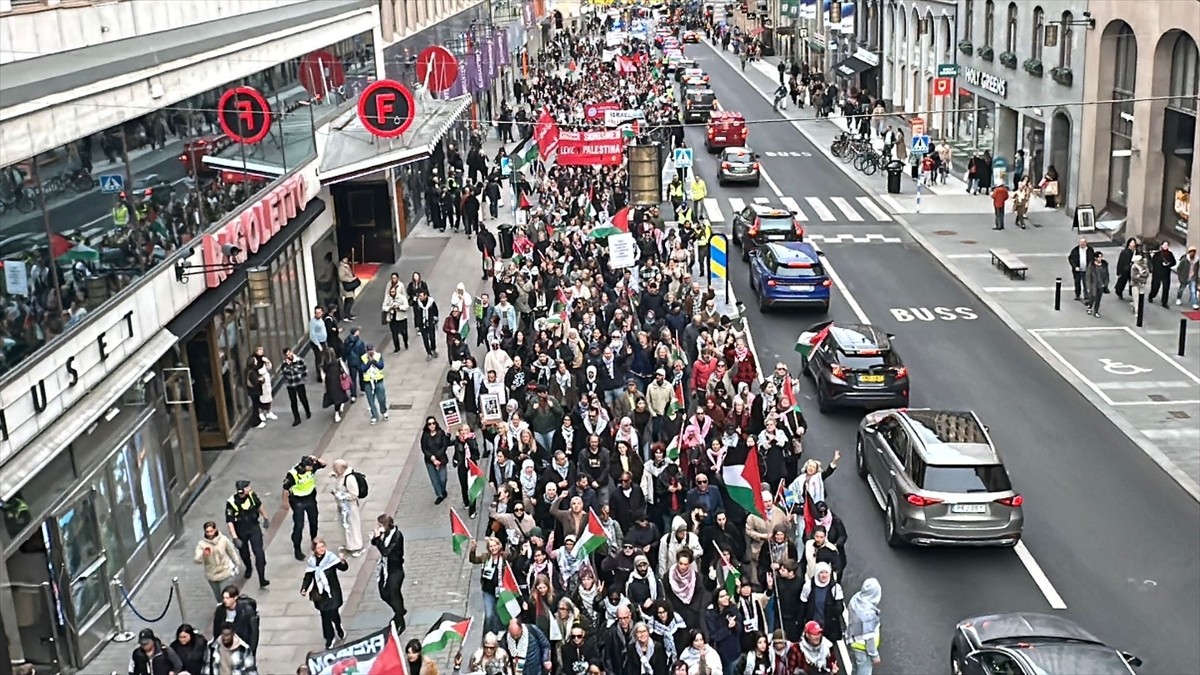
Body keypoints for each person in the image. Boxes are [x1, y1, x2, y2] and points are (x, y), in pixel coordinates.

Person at [301, 537, 350, 650]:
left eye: (323, 546)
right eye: (319, 547)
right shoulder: (312, 562)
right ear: (314, 550)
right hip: (320, 593)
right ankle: (329, 637)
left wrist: (342, 561)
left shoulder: (330, 558)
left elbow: (343, 568)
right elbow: (308, 576)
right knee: (324, 616)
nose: (322, 549)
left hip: (332, 591)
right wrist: (304, 588)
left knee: (334, 613)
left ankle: (338, 627)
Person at [224, 480, 269, 588]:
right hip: (241, 531)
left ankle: (262, 578)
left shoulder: (252, 496)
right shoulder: (232, 503)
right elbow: (230, 522)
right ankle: (248, 567)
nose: (250, 488)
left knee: (259, 553)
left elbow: (259, 506)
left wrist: (265, 517)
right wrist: (235, 538)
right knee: (244, 554)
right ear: (242, 490)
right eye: (247, 487)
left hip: (253, 528)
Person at [283, 455, 326, 560]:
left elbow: (324, 464)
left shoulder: (311, 467)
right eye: (310, 466)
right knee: (299, 525)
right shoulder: (293, 474)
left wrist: (315, 458)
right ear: (305, 466)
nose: (313, 467)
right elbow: (285, 489)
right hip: (298, 501)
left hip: (310, 499)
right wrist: (285, 503)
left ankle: (314, 542)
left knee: (314, 521)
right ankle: (297, 549)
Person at [372, 514, 408, 632]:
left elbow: (386, 552)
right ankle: (400, 611)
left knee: (394, 594)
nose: (379, 527)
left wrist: (378, 540)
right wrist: (375, 538)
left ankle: (400, 620)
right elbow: (375, 543)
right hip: (385, 568)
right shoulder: (384, 534)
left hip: (395, 570)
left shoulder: (396, 536)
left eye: (380, 525)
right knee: (384, 593)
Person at [194, 520, 241, 600]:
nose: (209, 534)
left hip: (224, 572)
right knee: (218, 596)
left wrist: (237, 563)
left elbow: (231, 552)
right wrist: (203, 553)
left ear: (215, 529)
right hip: (211, 574)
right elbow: (197, 559)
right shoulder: (202, 544)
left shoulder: (223, 539)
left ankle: (226, 608)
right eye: (207, 532)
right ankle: (221, 608)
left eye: (211, 531)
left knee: (225, 594)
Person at [329, 459, 365, 556]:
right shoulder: (342, 476)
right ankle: (349, 545)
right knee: (345, 526)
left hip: (350, 507)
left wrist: (338, 494)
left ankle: (357, 547)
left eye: (336, 469)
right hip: (342, 506)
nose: (334, 470)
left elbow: (354, 494)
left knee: (353, 526)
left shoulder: (349, 479)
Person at [211, 585, 260, 655]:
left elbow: (253, 631)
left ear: (235, 597)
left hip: (241, 644)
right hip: (226, 645)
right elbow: (216, 628)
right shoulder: (220, 610)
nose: (225, 600)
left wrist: (252, 649)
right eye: (224, 598)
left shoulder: (246, 610)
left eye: (228, 598)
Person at [847, 578, 882, 675]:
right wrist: (874, 655)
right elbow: (869, 637)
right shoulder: (868, 614)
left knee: (855, 669)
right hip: (863, 649)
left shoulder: (856, 599)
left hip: (853, 641)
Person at [280, 348, 311, 426]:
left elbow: (304, 371)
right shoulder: (284, 363)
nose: (289, 355)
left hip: (299, 383)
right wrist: (286, 367)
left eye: (289, 353)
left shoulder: (299, 360)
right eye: (287, 355)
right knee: (293, 401)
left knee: (303, 398)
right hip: (290, 384)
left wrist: (292, 366)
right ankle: (297, 418)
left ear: (292, 352)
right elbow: (283, 373)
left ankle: (307, 411)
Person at [360, 344, 390, 425]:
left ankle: (384, 411)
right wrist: (369, 362)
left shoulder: (378, 356)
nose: (370, 352)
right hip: (368, 382)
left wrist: (374, 361)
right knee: (371, 400)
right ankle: (374, 416)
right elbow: (363, 369)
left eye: (371, 350)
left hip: (378, 380)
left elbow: (381, 366)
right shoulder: (363, 358)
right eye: (369, 350)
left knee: (381, 398)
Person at [383, 273, 410, 351]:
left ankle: (405, 342)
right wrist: (389, 307)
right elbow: (384, 306)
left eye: (393, 292)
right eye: (391, 292)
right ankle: (397, 347)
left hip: (401, 317)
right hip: (392, 318)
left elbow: (406, 306)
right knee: (394, 333)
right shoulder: (388, 297)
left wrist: (399, 307)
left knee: (404, 332)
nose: (392, 293)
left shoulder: (401, 296)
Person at [1149, 241, 1178, 308]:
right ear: (1161, 246)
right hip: (1157, 273)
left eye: (1167, 245)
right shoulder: (1157, 254)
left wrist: (1168, 264)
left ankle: (1164, 302)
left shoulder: (1170, 254)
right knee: (1155, 287)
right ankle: (1151, 296)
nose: (1165, 246)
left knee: (1166, 288)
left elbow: (1174, 262)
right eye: (1164, 245)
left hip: (1166, 274)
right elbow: (1152, 262)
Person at [1067, 238, 1097, 302]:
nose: (1082, 244)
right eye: (1081, 242)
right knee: (1077, 282)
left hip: (1087, 270)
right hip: (1078, 270)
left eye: (1084, 242)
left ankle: (1086, 295)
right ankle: (1077, 294)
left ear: (1086, 243)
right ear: (1079, 243)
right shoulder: (1075, 250)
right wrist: (1075, 266)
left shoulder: (1090, 250)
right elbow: (1071, 259)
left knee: (1086, 283)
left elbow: (1092, 258)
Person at [415, 288, 441, 360]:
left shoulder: (431, 302)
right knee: (425, 339)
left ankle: (433, 349)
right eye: (419, 296)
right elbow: (416, 314)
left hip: (430, 323)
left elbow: (435, 311)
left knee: (432, 337)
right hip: (422, 324)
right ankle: (428, 353)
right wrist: (417, 324)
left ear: (425, 295)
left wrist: (435, 320)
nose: (419, 298)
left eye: (421, 296)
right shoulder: (418, 304)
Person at [1084, 251, 1110, 318]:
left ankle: (1096, 311)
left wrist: (1106, 283)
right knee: (1093, 296)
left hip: (1101, 284)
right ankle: (1090, 306)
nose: (1100, 258)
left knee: (1098, 298)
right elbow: (1088, 276)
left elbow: (1107, 275)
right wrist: (1088, 286)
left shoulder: (1104, 265)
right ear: (1095, 258)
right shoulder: (1091, 266)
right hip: (1093, 284)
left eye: (1101, 257)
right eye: (1099, 257)